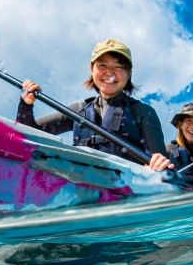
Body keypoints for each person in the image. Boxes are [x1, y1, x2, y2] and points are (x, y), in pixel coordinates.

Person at [16, 38, 173, 171]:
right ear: (92, 69)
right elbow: (29, 133)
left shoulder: (143, 112)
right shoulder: (77, 110)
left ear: (129, 73)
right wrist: (26, 105)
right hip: (81, 188)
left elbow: (158, 162)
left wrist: (158, 163)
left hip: (126, 191)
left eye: (118, 67)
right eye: (102, 65)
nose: (109, 72)